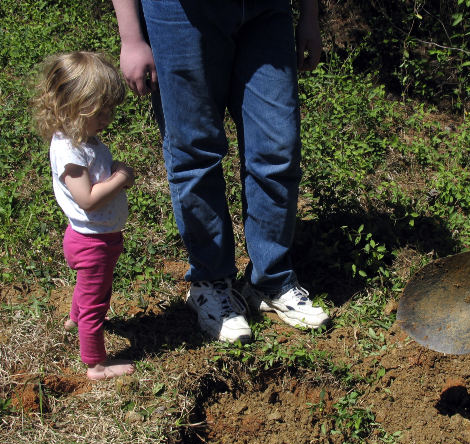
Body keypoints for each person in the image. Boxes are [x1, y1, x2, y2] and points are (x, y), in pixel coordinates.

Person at [111, 0, 329, 343]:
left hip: (267, 12)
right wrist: (132, 37)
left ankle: (270, 281)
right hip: (178, 14)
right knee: (194, 151)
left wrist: (310, 16)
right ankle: (210, 283)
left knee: (277, 149)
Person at [32, 52, 136, 380]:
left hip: (95, 237)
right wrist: (121, 178)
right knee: (96, 303)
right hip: (93, 242)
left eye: (110, 109)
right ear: (72, 108)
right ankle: (96, 364)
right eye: (101, 111)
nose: (108, 117)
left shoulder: (81, 139)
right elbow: (87, 199)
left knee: (86, 289)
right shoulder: (69, 152)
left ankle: (72, 320)